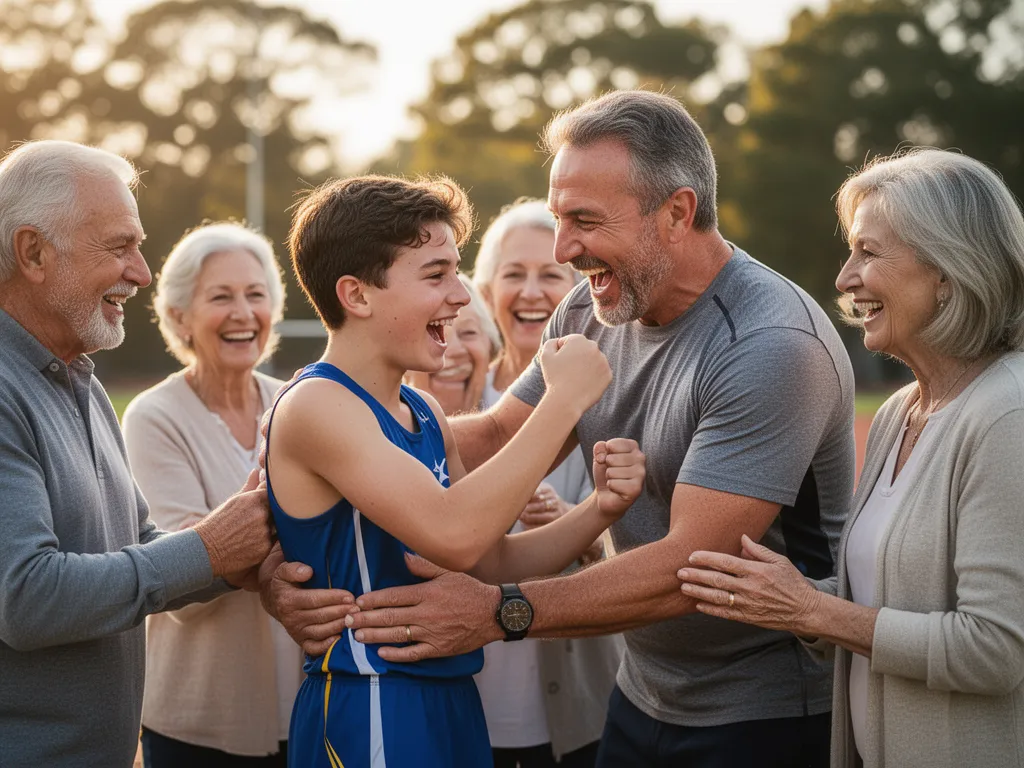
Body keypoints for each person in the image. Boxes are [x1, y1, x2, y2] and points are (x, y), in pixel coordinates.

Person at [282, 90, 859, 768]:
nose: (564, 249)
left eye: (584, 220)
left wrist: (500, 612)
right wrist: (287, 495)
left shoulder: (770, 344)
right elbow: (495, 437)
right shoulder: (594, 304)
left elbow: (690, 570)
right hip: (642, 691)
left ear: (677, 212)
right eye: (559, 218)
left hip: (764, 712)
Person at [264, 174, 646, 768]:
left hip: (453, 699)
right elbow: (455, 530)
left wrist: (598, 511)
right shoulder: (317, 405)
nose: (462, 295)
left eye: (457, 270)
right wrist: (562, 401)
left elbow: (487, 561)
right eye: (436, 274)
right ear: (357, 296)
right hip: (373, 703)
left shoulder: (422, 410)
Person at [677, 148, 1024, 768]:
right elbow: (885, 598)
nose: (843, 278)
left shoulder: (1007, 415)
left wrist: (814, 609)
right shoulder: (899, 413)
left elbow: (993, 651)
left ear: (948, 269)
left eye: (869, 252)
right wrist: (784, 598)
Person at [0, 140, 273, 768]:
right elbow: (28, 597)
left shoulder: (80, 378)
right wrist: (208, 549)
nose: (142, 272)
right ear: (33, 253)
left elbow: (137, 541)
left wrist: (237, 562)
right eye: (120, 246)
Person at [122, 223, 303, 766]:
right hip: (200, 719)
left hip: (308, 703)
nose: (243, 312)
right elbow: (180, 565)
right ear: (179, 315)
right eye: (220, 296)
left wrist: (248, 540)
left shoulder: (298, 402)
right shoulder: (154, 417)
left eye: (256, 295)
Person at [474, 203, 623, 768]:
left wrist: (574, 525)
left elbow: (642, 550)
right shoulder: (456, 403)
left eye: (551, 276)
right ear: (487, 292)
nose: (533, 292)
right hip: (469, 702)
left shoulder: (608, 401)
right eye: (515, 274)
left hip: (575, 708)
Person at [405, 274, 501, 415]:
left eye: (469, 333)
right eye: (433, 332)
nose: (454, 350)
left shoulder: (523, 418)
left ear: (491, 349)